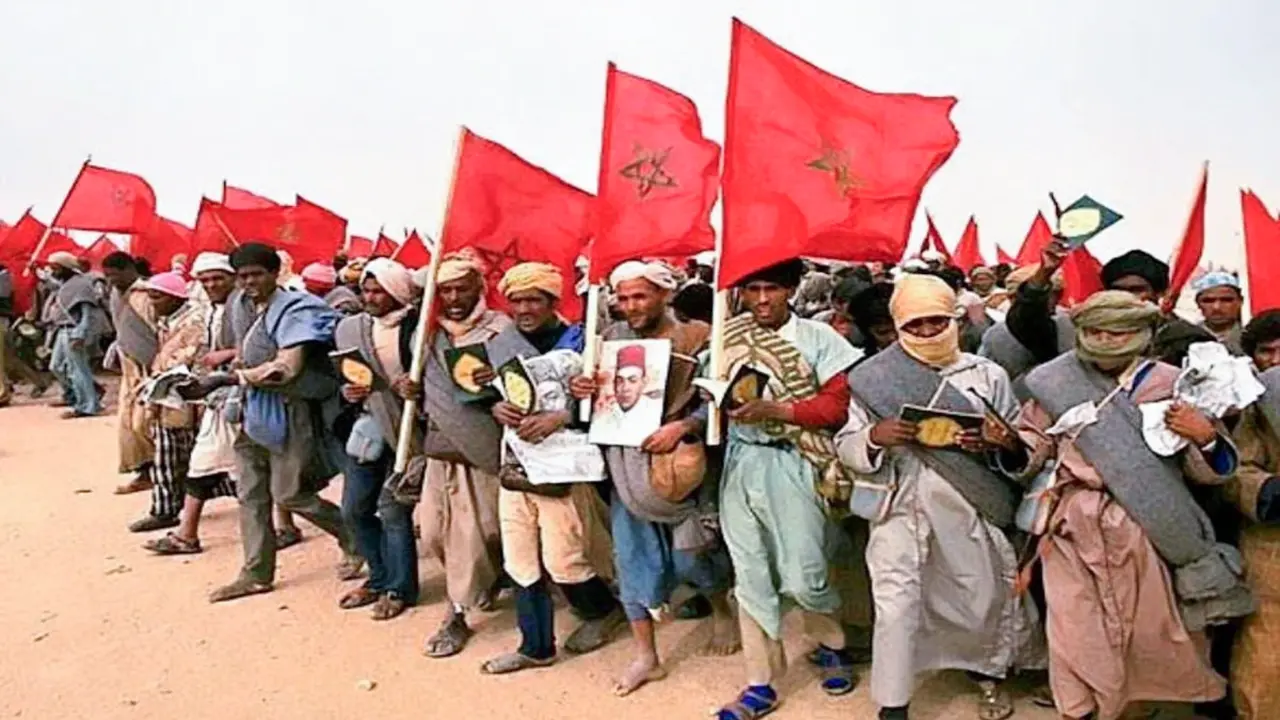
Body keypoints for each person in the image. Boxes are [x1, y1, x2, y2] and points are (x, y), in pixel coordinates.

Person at [1005, 291, 1252, 720]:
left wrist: (1204, 436)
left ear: (1142, 334)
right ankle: (1080, 709)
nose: (1106, 339)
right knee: (1074, 630)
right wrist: (1007, 443)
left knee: (1148, 632)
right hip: (1071, 526)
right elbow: (1034, 442)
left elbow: (1207, 470)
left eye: (1118, 331)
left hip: (1145, 526)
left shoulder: (1174, 382)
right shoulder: (1054, 381)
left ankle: (1136, 708)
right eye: (1096, 330)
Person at [838, 273, 1039, 720]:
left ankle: (986, 675)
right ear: (898, 326)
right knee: (896, 604)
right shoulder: (873, 378)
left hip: (968, 501)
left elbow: (1019, 441)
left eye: (936, 322)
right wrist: (875, 435)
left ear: (953, 319)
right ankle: (893, 703)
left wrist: (995, 442)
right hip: (897, 501)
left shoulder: (986, 374)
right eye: (915, 326)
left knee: (978, 595)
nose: (927, 332)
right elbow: (847, 444)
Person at [569, 260, 736, 697]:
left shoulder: (697, 337)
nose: (630, 306)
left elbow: (716, 402)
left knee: (693, 557)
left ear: (664, 295)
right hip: (626, 469)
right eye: (622, 298)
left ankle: (721, 608)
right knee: (633, 562)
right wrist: (582, 392)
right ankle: (647, 656)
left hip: (677, 468)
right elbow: (592, 405)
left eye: (640, 296)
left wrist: (684, 427)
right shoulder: (607, 341)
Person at [711, 258, 863, 720]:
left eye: (771, 289)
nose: (761, 299)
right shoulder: (725, 337)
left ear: (791, 289)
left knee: (805, 572)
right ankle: (761, 681)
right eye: (753, 288)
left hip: (797, 460)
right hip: (741, 462)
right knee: (750, 571)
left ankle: (830, 642)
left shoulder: (820, 339)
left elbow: (836, 406)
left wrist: (776, 410)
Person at [192, 243, 357, 604]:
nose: (249, 282)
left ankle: (354, 538)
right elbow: (247, 349)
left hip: (289, 407)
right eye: (243, 276)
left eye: (256, 274)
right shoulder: (240, 305)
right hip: (251, 407)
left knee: (290, 494)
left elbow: (287, 367)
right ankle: (255, 573)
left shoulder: (297, 308)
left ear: (274, 274)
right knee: (249, 494)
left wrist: (230, 380)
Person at [480, 262, 624, 676]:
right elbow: (485, 393)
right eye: (517, 300)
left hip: (564, 469)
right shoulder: (500, 344)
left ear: (551, 302)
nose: (524, 308)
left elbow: (613, 401)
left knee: (564, 559)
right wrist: (496, 405)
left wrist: (562, 417)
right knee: (520, 560)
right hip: (516, 464)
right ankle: (535, 646)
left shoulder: (584, 342)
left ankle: (603, 610)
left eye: (533, 300)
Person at [395, 251, 515, 657]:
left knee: (478, 532)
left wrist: (498, 381)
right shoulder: (427, 336)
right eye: (445, 290)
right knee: (432, 531)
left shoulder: (501, 330)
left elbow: (525, 383)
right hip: (440, 451)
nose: (454, 297)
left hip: (482, 448)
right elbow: (420, 387)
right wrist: (406, 388)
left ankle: (456, 612)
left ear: (479, 287)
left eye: (461, 287)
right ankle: (482, 582)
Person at [332, 258, 421, 621]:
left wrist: (415, 389)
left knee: (393, 509)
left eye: (378, 291)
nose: (369, 297)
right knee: (354, 508)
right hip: (369, 426)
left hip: (411, 429)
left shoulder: (420, 327)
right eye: (365, 290)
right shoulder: (352, 328)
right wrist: (348, 391)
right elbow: (345, 372)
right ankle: (378, 577)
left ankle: (400, 587)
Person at [144, 253, 241, 556]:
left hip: (241, 395)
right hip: (219, 398)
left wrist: (227, 356)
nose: (212, 284)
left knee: (257, 469)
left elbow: (263, 345)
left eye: (217, 278)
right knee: (207, 464)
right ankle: (186, 534)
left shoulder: (241, 308)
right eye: (205, 279)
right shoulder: (214, 310)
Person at [1224, 311, 1280, 719]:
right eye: (1267, 351)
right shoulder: (1251, 408)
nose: (1277, 359)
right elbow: (1237, 471)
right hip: (1272, 543)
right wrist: (1268, 493)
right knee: (1266, 647)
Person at [131, 272, 208, 533]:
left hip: (184, 396)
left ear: (175, 297)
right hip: (169, 396)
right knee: (171, 453)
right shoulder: (168, 321)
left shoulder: (193, 322)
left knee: (180, 454)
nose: (153, 302)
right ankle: (168, 507)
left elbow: (184, 360)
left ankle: (170, 509)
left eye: (157, 296)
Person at [102, 252, 158, 492]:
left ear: (128, 270)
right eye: (108, 276)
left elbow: (160, 331)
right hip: (129, 366)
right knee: (128, 423)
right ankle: (144, 470)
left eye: (115, 275)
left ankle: (162, 470)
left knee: (146, 421)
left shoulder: (148, 295)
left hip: (151, 367)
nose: (112, 280)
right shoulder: (115, 295)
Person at [47, 251, 108, 419]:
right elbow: (52, 284)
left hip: (74, 330)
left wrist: (81, 333)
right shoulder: (66, 284)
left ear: (66, 267)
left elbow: (87, 312)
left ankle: (88, 406)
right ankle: (77, 394)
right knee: (56, 367)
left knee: (77, 370)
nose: (53, 272)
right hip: (61, 329)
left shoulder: (81, 284)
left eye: (56, 268)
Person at [1193, 271, 1244, 355]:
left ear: (1240, 301)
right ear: (1198, 303)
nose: (1217, 307)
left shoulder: (1253, 339)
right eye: (1208, 301)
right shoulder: (1185, 338)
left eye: (1226, 300)